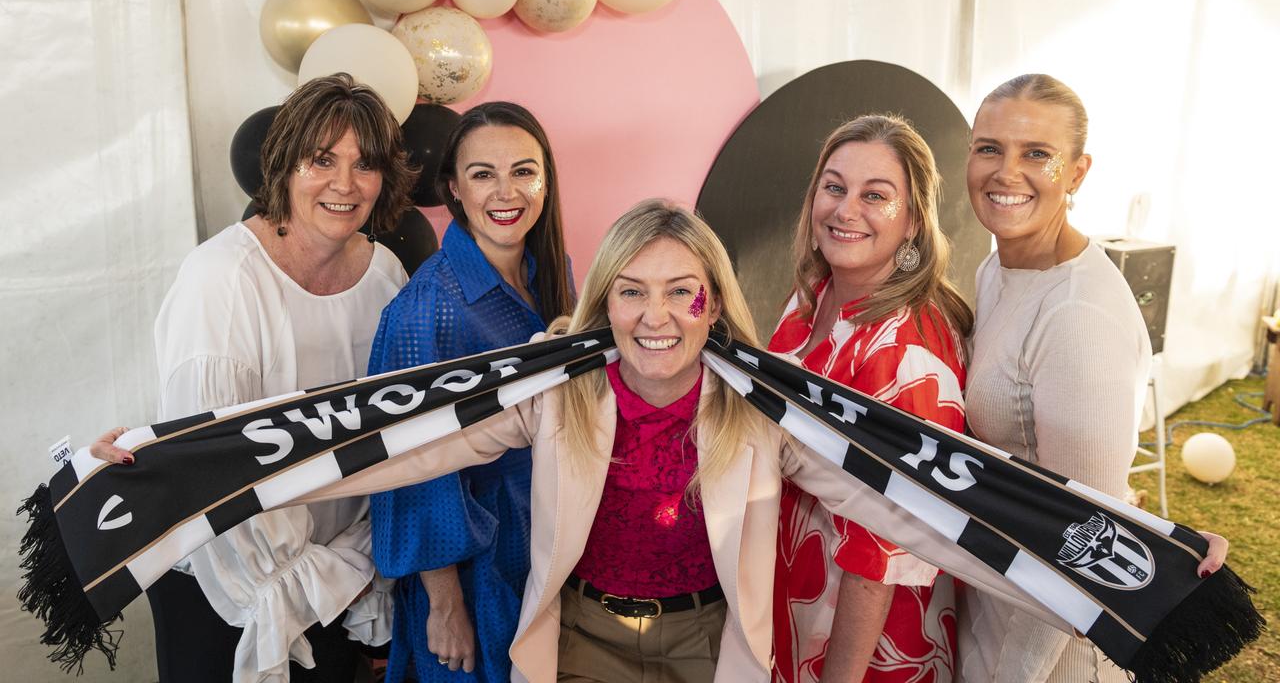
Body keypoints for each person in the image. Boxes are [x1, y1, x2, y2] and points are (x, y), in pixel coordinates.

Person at [93, 200, 1229, 683]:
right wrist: (176, 458)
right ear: (601, 302)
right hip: (584, 638)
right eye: (629, 291)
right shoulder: (559, 388)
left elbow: (917, 506)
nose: (653, 316)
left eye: (681, 294)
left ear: (711, 301)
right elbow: (393, 443)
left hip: (703, 644)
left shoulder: (760, 403)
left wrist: (1130, 547)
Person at [95, 73, 415, 683]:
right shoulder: (223, 279)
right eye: (322, 159)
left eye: (364, 164)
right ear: (286, 164)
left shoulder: (386, 276)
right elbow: (213, 467)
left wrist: (353, 571)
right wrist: (292, 585)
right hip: (227, 580)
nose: (344, 184)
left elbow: (395, 432)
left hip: (339, 576)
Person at [956, 73, 1156, 682]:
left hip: (1052, 652)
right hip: (994, 600)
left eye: (1036, 154)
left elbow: (1086, 545)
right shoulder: (998, 267)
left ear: (1076, 172)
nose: (1005, 172)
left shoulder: (1078, 312)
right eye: (989, 147)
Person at [366, 101, 574, 683]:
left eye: (523, 171)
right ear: (453, 187)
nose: (506, 192)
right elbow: (409, 464)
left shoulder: (554, 271)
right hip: (475, 568)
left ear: (546, 179)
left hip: (544, 541)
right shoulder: (425, 309)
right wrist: (445, 603)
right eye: (483, 174)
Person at [769, 115, 970, 683]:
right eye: (834, 187)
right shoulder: (814, 296)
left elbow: (888, 551)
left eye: (875, 196)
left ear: (912, 222)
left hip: (864, 643)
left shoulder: (908, 356)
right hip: (798, 597)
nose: (845, 209)